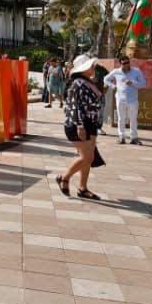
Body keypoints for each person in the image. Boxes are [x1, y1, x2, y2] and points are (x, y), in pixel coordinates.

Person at [56, 54, 103, 200]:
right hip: (79, 124)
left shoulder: (87, 82)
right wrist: (80, 125)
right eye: (91, 65)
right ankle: (64, 177)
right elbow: (74, 106)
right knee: (87, 157)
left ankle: (83, 188)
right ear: (84, 68)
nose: (94, 67)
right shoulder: (77, 83)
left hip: (91, 123)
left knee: (89, 158)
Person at [104, 55, 146, 145]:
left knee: (133, 119)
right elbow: (106, 79)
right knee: (121, 119)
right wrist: (114, 86)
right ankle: (121, 137)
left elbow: (143, 84)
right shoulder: (116, 72)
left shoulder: (136, 71)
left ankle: (134, 138)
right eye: (124, 63)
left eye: (128, 62)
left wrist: (133, 83)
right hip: (120, 99)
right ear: (120, 64)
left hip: (133, 99)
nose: (127, 64)